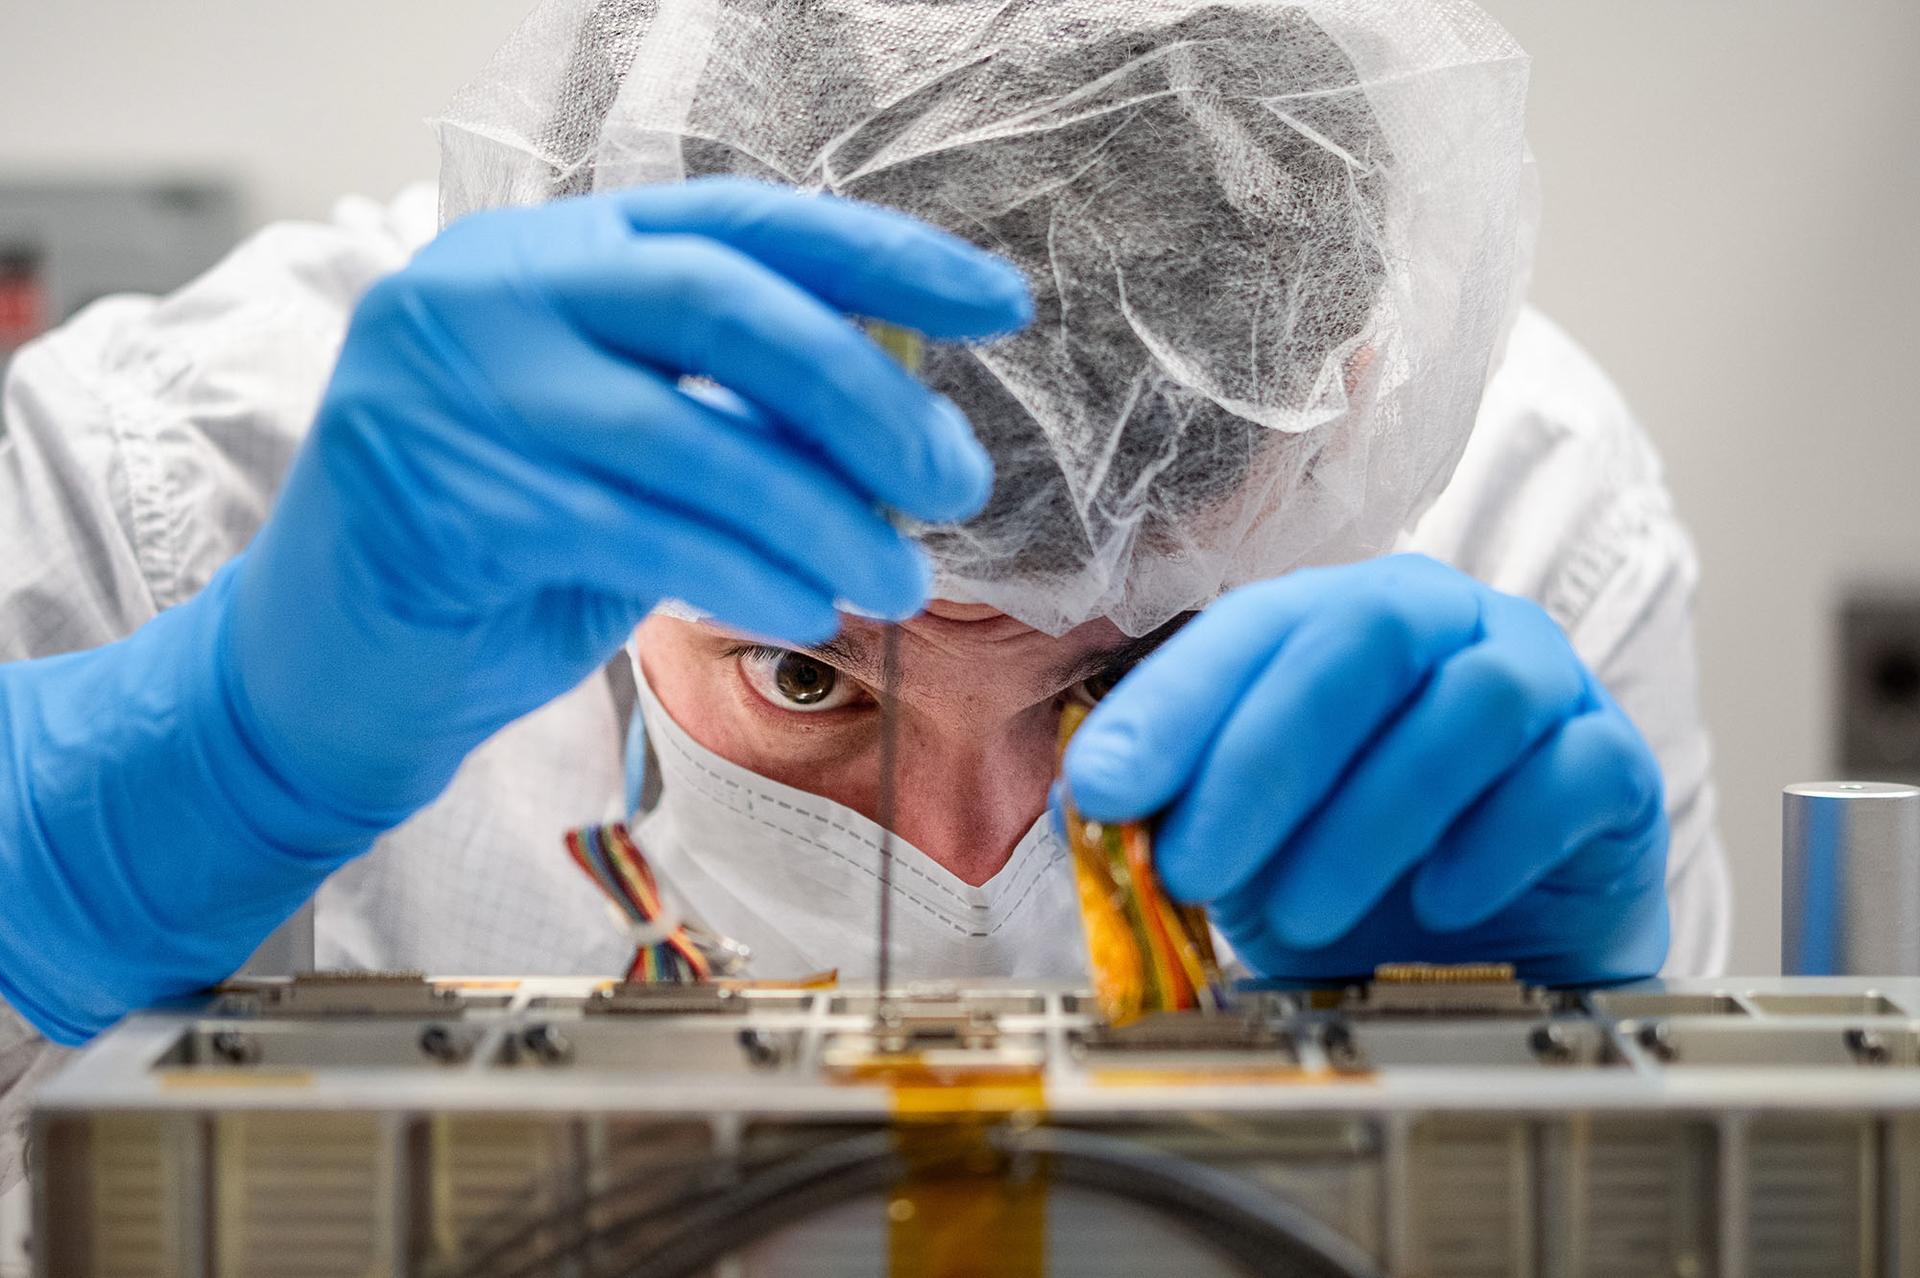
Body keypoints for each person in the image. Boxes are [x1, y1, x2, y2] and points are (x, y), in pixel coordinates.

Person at [0, 0, 1728, 1192]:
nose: (968, 863)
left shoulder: (1514, 525)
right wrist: (152, 793)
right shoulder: (181, 495)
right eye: (808, 679)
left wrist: (1517, 1114)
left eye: (1124, 682)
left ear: (1341, 401)